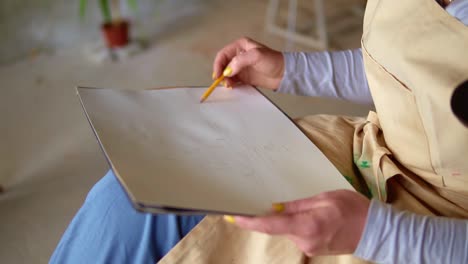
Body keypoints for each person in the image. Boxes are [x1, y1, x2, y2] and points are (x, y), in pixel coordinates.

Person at [51, 0, 468, 263]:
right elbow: (410, 67)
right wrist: (291, 69)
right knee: (127, 194)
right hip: (366, 152)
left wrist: (379, 235)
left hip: (431, 231)